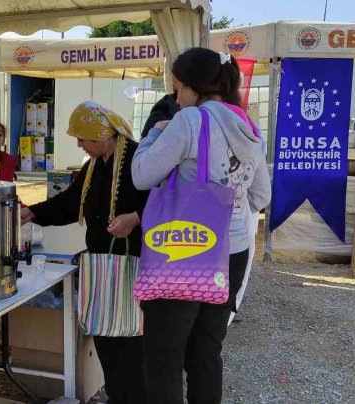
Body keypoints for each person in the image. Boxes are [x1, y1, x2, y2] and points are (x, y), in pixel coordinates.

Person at [131, 48, 271, 404]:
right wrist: (229, 210)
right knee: (206, 354)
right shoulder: (248, 124)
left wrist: (153, 136)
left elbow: (142, 176)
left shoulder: (190, 121)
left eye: (178, 89)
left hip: (186, 251)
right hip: (233, 251)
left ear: (194, 87)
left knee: (164, 358)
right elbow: (262, 195)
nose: (176, 98)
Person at [20, 102, 149, 404]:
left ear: (102, 133)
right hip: (101, 267)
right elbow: (70, 203)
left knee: (132, 342)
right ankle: (118, 396)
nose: (79, 144)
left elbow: (167, 200)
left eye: (83, 137)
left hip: (135, 267)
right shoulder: (96, 165)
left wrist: (136, 218)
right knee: (105, 336)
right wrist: (33, 213)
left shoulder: (140, 159)